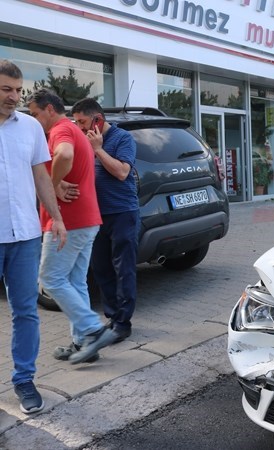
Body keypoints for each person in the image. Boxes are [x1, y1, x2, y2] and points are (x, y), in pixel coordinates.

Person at [27, 89, 118, 365]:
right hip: (87, 219)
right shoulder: (75, 130)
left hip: (69, 222)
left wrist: (51, 186)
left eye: (35, 114)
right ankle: (83, 342)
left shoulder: (60, 131)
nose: (34, 119)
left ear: (50, 110)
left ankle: (93, 329)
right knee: (76, 282)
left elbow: (64, 155)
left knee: (50, 278)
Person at [0, 60, 67, 414]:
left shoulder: (29, 127)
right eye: (6, 89)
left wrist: (56, 217)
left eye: (18, 90)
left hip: (25, 234)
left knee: (26, 311)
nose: (14, 97)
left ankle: (24, 379)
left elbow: (41, 176)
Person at [71, 98, 139, 344]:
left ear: (98, 119)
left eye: (82, 121)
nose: (78, 127)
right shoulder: (83, 139)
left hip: (122, 213)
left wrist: (98, 149)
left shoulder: (122, 139)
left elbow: (122, 172)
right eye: (75, 121)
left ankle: (123, 323)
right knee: (101, 268)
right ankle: (112, 317)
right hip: (94, 215)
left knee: (124, 269)